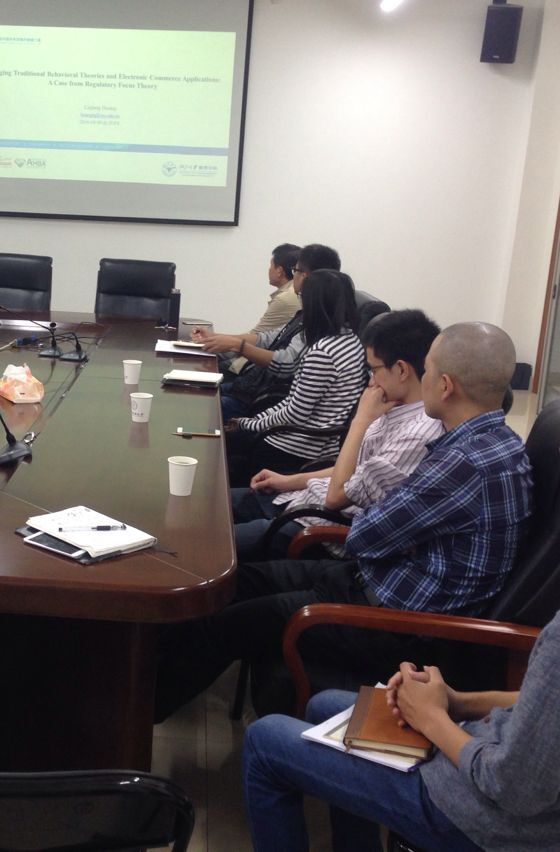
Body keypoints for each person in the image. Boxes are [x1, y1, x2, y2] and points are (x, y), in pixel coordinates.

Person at [242, 357, 560, 852]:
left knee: (266, 741)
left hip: (487, 820)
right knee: (327, 706)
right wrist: (457, 701)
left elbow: (514, 789)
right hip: (517, 765)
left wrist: (433, 720)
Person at [155, 322, 532, 722]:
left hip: (395, 620)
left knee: (228, 624)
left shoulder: (462, 462)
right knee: (236, 581)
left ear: (445, 385)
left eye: (429, 368)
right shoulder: (497, 444)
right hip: (373, 581)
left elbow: (364, 536)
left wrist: (390, 530)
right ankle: (141, 686)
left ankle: (136, 715)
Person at [233, 309, 443, 559]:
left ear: (401, 370)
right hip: (298, 500)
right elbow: (357, 468)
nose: (371, 381)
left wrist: (360, 421)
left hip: (314, 527)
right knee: (216, 505)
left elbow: (336, 497)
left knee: (214, 542)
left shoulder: (416, 435)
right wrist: (288, 480)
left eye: (373, 370)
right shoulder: (391, 406)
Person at [224, 269, 368, 486]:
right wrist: (252, 422)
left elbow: (296, 413)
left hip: (298, 445)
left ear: (314, 304)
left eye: (303, 298)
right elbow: (294, 403)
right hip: (316, 440)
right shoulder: (351, 341)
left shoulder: (323, 352)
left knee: (221, 443)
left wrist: (248, 424)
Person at [193, 244, 341, 421]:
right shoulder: (307, 311)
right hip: (251, 387)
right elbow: (267, 337)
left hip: (260, 400)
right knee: (192, 390)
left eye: (295, 270)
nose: (293, 275)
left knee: (193, 404)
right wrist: (219, 338)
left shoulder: (320, 321)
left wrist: (238, 346)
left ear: (305, 275)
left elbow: (286, 364)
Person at [225, 243, 303, 375]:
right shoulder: (290, 294)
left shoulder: (286, 298)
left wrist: (220, 341)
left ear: (279, 271)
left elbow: (258, 339)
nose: (269, 270)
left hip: (254, 368)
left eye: (271, 266)